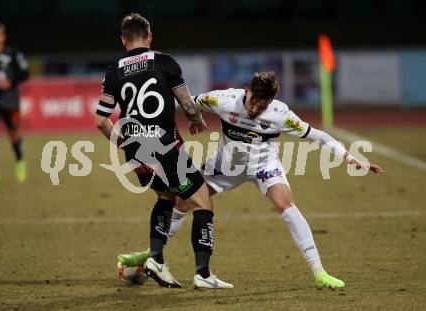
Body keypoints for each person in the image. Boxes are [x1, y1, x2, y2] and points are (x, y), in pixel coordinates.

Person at [128, 71, 383, 289]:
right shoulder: (224, 99)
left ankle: (320, 273)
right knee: (182, 201)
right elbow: (187, 102)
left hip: (264, 165)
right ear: (246, 91)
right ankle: (150, 256)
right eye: (252, 102)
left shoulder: (281, 114)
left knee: (286, 205)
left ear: (271, 101)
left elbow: (319, 136)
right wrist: (154, 120)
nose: (254, 109)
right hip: (226, 165)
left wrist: (351, 159)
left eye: (262, 106)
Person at [95, 12, 233, 289]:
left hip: (135, 150)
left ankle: (156, 259)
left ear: (123, 40)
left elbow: (101, 120)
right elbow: (186, 101)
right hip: (164, 146)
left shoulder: (113, 70)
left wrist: (121, 142)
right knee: (203, 202)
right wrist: (196, 118)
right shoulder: (164, 62)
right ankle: (203, 275)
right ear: (149, 36)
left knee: (166, 196)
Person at [0, 22, 29, 189]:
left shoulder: (13, 55)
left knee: (14, 131)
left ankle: (19, 160)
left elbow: (25, 74)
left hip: (10, 100)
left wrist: (10, 82)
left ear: (3, 37)